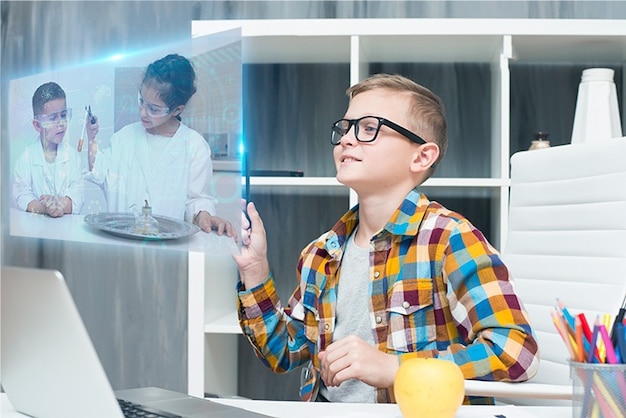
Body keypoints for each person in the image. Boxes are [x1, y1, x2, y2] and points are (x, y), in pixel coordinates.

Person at [233, 73, 539, 404]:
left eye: (368, 128)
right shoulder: (321, 253)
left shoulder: (448, 238)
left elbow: (516, 351)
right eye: (345, 128)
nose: (346, 140)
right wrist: (255, 269)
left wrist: (396, 368)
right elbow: (283, 353)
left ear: (422, 156)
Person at [86, 53, 233, 236]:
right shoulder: (125, 138)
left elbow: (196, 200)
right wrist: (91, 138)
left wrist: (204, 216)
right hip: (120, 242)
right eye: (141, 101)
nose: (143, 113)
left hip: (166, 250)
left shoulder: (194, 146)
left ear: (177, 110)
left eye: (154, 109)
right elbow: (98, 171)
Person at [12, 82, 97, 217]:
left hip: (66, 231)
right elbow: (21, 196)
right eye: (53, 118)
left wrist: (58, 205)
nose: (61, 123)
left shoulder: (73, 157)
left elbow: (78, 196)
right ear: (37, 125)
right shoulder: (26, 158)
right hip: (35, 231)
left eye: (63, 115)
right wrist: (45, 208)